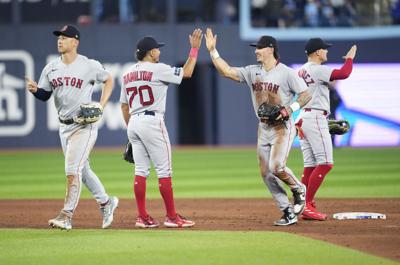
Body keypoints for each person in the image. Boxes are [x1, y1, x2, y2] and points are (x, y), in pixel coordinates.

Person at [205, 28, 311, 226]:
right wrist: (213, 51)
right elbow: (227, 71)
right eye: (256, 48)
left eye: (260, 48)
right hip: (263, 128)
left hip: (282, 127)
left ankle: (298, 189)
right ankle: (287, 210)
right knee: (266, 173)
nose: (256, 51)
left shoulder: (287, 73)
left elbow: (306, 95)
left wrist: (290, 109)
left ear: (271, 49)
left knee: (277, 167)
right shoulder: (253, 71)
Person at [25, 25, 118, 230]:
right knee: (83, 171)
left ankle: (66, 216)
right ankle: (106, 202)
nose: (60, 40)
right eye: (59, 37)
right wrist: (35, 90)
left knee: (71, 170)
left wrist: (101, 105)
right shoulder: (50, 68)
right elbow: (45, 95)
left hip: (84, 126)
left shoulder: (89, 65)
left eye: (65, 37)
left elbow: (109, 79)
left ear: (75, 42)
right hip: (64, 127)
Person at [120, 29, 202, 228]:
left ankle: (142, 217)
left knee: (141, 170)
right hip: (152, 121)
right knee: (164, 171)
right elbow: (188, 72)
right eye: (157, 48)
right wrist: (194, 49)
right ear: (150, 52)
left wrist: (131, 130)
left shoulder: (128, 73)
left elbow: (124, 105)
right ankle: (172, 217)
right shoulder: (158, 69)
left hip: (134, 122)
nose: (159, 51)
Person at [296, 38, 356, 220]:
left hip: (304, 117)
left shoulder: (302, 70)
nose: (327, 52)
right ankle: (306, 204)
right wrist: (350, 59)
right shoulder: (317, 69)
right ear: (316, 52)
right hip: (315, 116)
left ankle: (302, 204)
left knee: (310, 166)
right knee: (326, 163)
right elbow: (343, 74)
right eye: (324, 49)